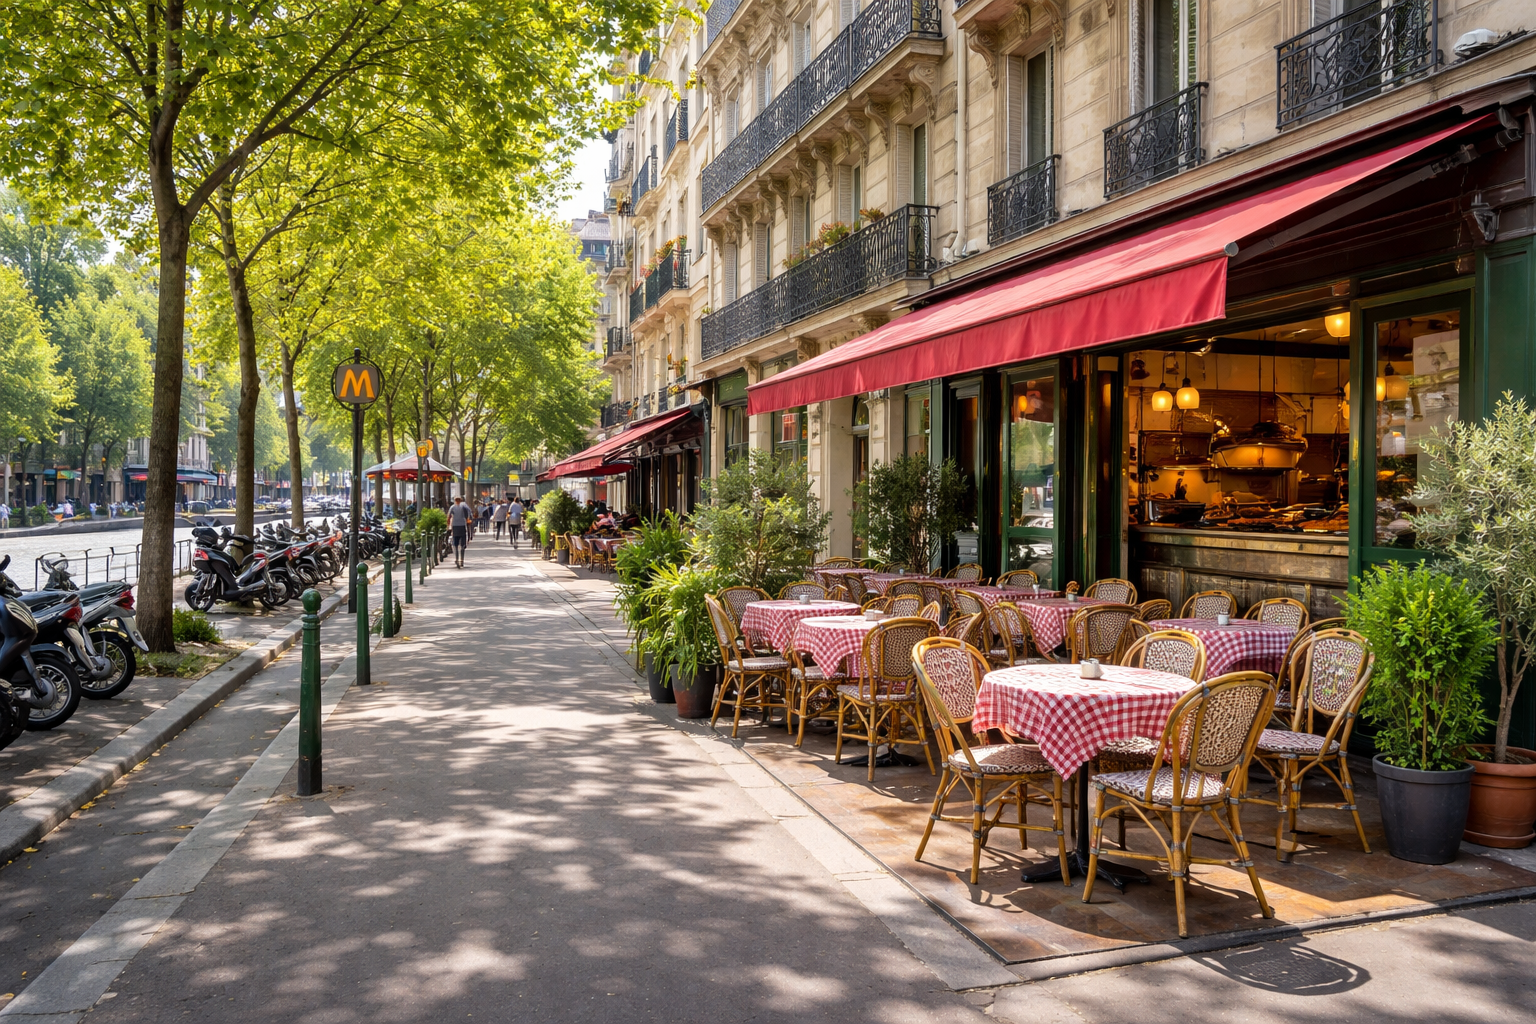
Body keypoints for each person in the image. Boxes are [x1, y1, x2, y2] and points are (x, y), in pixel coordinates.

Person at [448, 495, 473, 567]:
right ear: (460, 500)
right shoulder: (463, 507)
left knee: (455, 545)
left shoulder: (452, 507)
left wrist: (448, 525)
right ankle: (461, 560)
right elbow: (467, 516)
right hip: (462, 526)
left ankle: (456, 559)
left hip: (455, 526)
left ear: (455, 501)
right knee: (462, 545)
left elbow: (449, 516)